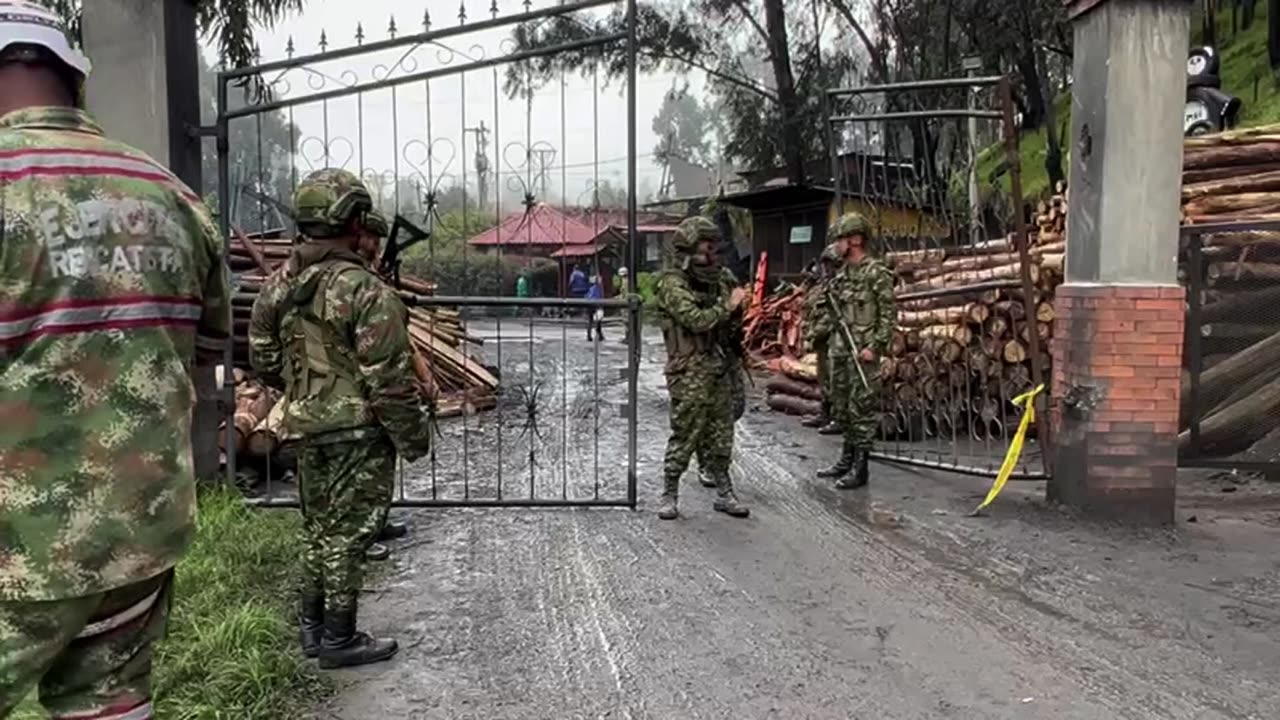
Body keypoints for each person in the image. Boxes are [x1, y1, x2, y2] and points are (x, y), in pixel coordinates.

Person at [0, 4, 231, 717]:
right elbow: (208, 362)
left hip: (20, 548)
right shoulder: (173, 196)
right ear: (76, 80)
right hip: (142, 535)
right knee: (109, 705)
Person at [249, 169, 434, 669]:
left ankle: (313, 629)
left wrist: (308, 392)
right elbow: (390, 382)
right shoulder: (365, 291)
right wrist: (414, 438)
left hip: (306, 424)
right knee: (350, 533)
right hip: (359, 430)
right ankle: (339, 637)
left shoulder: (278, 287)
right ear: (354, 219)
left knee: (318, 527)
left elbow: (264, 361)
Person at [652, 217, 752, 520]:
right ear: (688, 249)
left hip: (718, 365)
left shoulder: (721, 279)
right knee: (686, 432)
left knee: (722, 433)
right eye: (705, 249)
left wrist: (737, 312)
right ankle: (669, 492)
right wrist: (729, 306)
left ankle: (724, 491)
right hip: (690, 369)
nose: (711, 255)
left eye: (713, 248)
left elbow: (732, 325)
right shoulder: (671, 283)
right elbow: (696, 319)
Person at [816, 213, 896, 489]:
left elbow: (888, 316)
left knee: (861, 409)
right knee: (843, 407)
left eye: (840, 239)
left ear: (856, 239)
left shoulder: (875, 273)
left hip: (863, 353)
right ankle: (846, 459)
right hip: (841, 351)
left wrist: (876, 347)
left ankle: (860, 468)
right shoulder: (842, 275)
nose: (836, 245)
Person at [802, 247, 844, 435]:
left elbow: (832, 316)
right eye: (824, 264)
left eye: (829, 264)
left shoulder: (840, 286)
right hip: (822, 343)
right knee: (824, 379)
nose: (826, 268)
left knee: (836, 381)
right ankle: (825, 413)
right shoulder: (822, 286)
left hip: (834, 340)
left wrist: (815, 333)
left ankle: (839, 418)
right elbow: (809, 307)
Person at [585, 275, 605, 341]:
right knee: (598, 321)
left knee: (590, 321)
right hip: (596, 305)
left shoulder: (591, 288)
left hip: (589, 305)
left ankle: (589, 336)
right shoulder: (598, 288)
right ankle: (600, 335)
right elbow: (599, 297)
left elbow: (587, 296)